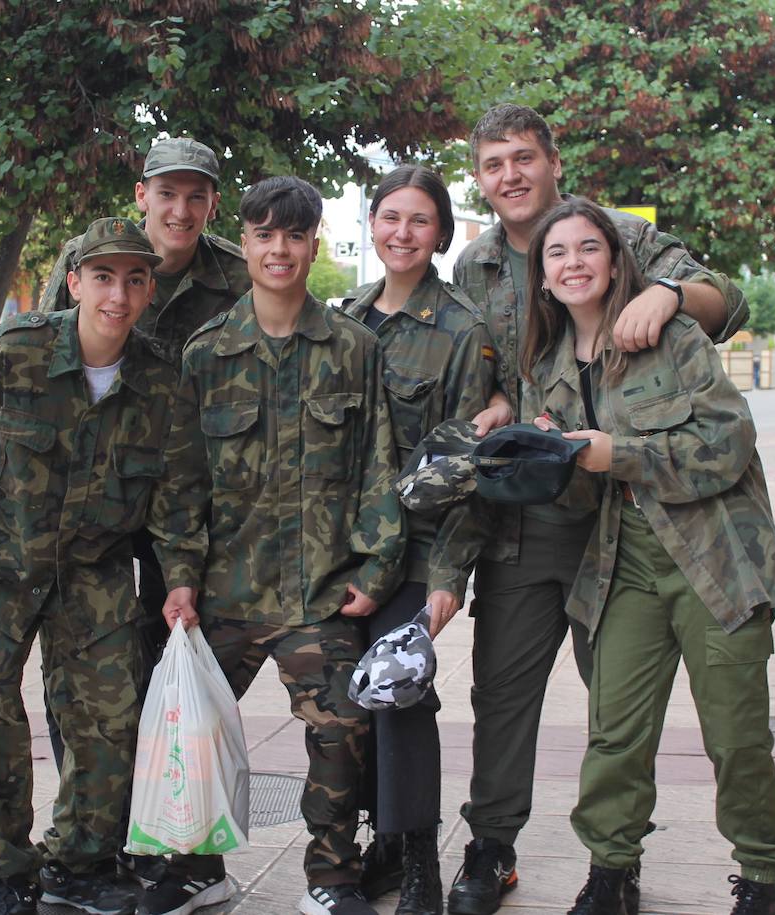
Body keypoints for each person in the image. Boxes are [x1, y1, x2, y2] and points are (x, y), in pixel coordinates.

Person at [444, 104, 751, 915]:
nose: (509, 175)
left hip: (625, 518)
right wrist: (501, 399)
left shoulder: (619, 235)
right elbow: (488, 367)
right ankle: (492, 847)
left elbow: (728, 300)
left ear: (553, 160)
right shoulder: (473, 265)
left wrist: (671, 295)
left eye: (523, 158)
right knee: (503, 692)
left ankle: (614, 862)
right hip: (531, 511)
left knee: (619, 709)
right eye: (492, 163)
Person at [521, 198, 775, 915]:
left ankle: (760, 875)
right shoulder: (544, 367)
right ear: (542, 276)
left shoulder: (668, 335)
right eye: (557, 253)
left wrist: (621, 454)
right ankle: (611, 869)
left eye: (588, 249)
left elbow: (730, 443)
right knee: (614, 734)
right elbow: (572, 492)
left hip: (715, 555)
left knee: (736, 734)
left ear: (614, 264)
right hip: (624, 559)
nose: (573, 263)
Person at [145, 176, 405, 915]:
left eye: (295, 235)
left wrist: (377, 566)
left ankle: (331, 873)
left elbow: (378, 465)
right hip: (222, 592)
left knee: (342, 727)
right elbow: (182, 480)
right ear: (247, 243)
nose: (280, 249)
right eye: (265, 234)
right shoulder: (208, 353)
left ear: (313, 243)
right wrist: (181, 577)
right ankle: (197, 867)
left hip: (317, 594)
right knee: (190, 729)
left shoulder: (354, 349)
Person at [0, 218, 178, 915]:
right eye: (103, 277)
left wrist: (182, 576)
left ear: (149, 289)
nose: (117, 294)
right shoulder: (14, 351)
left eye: (134, 279)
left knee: (109, 717)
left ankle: (80, 862)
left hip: (95, 572)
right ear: (75, 281)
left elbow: (179, 497)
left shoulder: (159, 378)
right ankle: (5, 869)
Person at [37, 140, 251, 879]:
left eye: (197, 196)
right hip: (93, 498)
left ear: (213, 204)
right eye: (168, 194)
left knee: (176, 667)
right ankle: (96, 833)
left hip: (184, 495)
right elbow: (48, 355)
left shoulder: (234, 273)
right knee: (83, 675)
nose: (181, 210)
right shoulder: (91, 254)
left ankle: (180, 839)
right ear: (142, 194)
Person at [339, 165, 495, 915]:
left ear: (441, 234)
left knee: (401, 692)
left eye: (420, 221)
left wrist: (447, 578)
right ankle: (385, 844)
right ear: (372, 223)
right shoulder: (345, 319)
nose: (402, 233)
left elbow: (467, 469)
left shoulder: (462, 330)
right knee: (352, 701)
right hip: (348, 552)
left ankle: (421, 870)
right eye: (390, 217)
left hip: (418, 548)